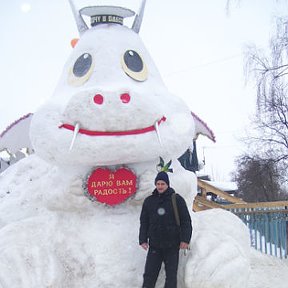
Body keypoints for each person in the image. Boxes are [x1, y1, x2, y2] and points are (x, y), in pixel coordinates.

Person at [139, 171, 192, 288]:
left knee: (171, 277)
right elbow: (144, 222)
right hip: (155, 246)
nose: (160, 186)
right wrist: (143, 239)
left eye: (162, 183)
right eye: (158, 183)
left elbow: (186, 221)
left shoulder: (177, 200)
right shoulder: (149, 201)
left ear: (167, 184)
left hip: (172, 246)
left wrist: (185, 240)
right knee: (149, 276)